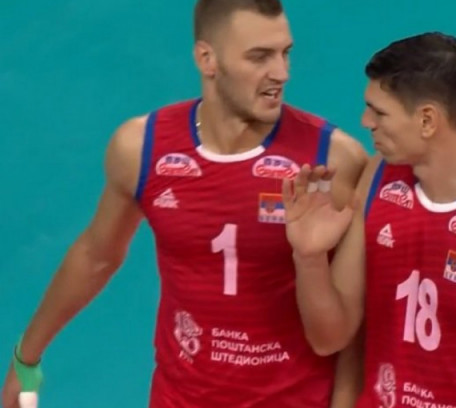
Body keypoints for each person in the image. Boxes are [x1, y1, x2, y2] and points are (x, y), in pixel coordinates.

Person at [1, 1, 368, 407]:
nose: (281, 73)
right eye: (259, 56)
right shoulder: (142, 148)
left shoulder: (333, 161)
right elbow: (96, 257)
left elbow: (359, 321)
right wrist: (26, 358)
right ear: (207, 59)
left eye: (285, 53)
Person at [283, 32, 456, 408]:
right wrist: (309, 258)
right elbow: (329, 339)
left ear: (427, 120)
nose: (365, 122)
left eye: (379, 112)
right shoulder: (377, 179)